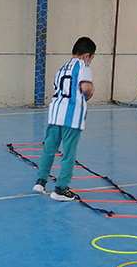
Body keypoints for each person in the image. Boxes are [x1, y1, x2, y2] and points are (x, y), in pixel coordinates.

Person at [32, 37, 96, 201]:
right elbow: (85, 87)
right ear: (87, 55)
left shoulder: (62, 67)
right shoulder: (83, 65)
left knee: (49, 148)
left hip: (55, 113)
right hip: (71, 115)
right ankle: (61, 189)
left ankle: (41, 181)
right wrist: (90, 92)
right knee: (69, 153)